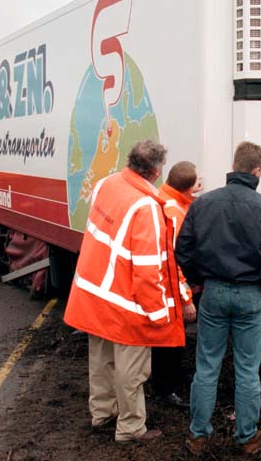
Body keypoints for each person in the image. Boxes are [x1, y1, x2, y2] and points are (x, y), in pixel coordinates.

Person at [175, 141, 261, 456]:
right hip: (250, 295)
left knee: (206, 366)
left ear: (235, 164)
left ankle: (198, 437)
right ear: (257, 171)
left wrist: (201, 278)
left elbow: (183, 250)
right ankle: (247, 437)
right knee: (246, 369)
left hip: (213, 293)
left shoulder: (203, 204)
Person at [63, 139, 187, 444]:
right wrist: (159, 316)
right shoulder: (146, 207)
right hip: (123, 304)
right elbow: (147, 271)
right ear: (156, 171)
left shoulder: (106, 185)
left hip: (94, 295)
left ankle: (102, 414)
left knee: (101, 359)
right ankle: (131, 428)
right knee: (132, 371)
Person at [151, 161, 202, 407]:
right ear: (188, 188)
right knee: (168, 339)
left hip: (164, 284)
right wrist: (187, 299)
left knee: (170, 338)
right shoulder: (175, 213)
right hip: (170, 287)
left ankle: (171, 378)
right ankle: (164, 390)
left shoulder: (166, 199)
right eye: (197, 183)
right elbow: (174, 260)